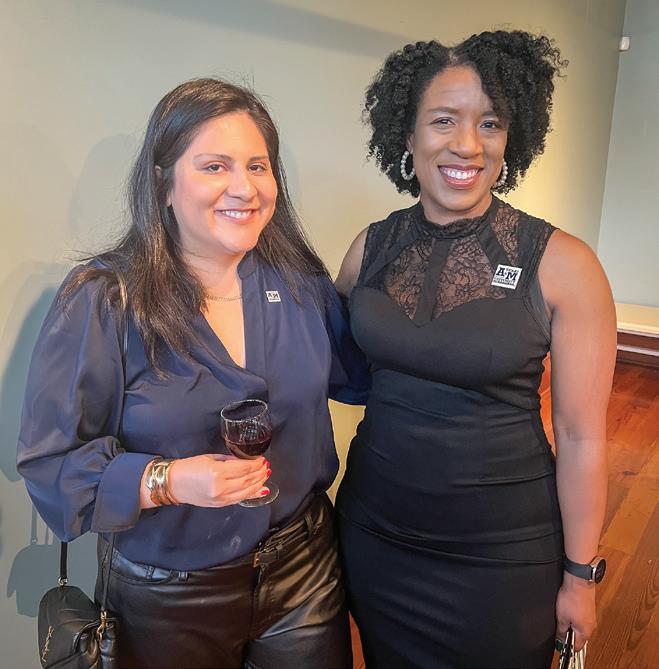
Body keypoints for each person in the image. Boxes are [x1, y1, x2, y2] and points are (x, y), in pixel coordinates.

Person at [17, 77, 367, 669]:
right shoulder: (106, 299)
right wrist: (169, 480)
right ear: (164, 184)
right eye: (214, 166)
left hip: (304, 575)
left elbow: (367, 377)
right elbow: (51, 464)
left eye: (258, 166)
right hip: (167, 595)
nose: (244, 187)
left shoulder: (301, 286)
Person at [335, 31, 616, 669]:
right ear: (407, 134)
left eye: (490, 123)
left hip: (500, 557)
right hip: (376, 537)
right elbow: (322, 358)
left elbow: (581, 437)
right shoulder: (369, 248)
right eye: (444, 121)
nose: (468, 144)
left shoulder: (564, 265)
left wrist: (580, 577)